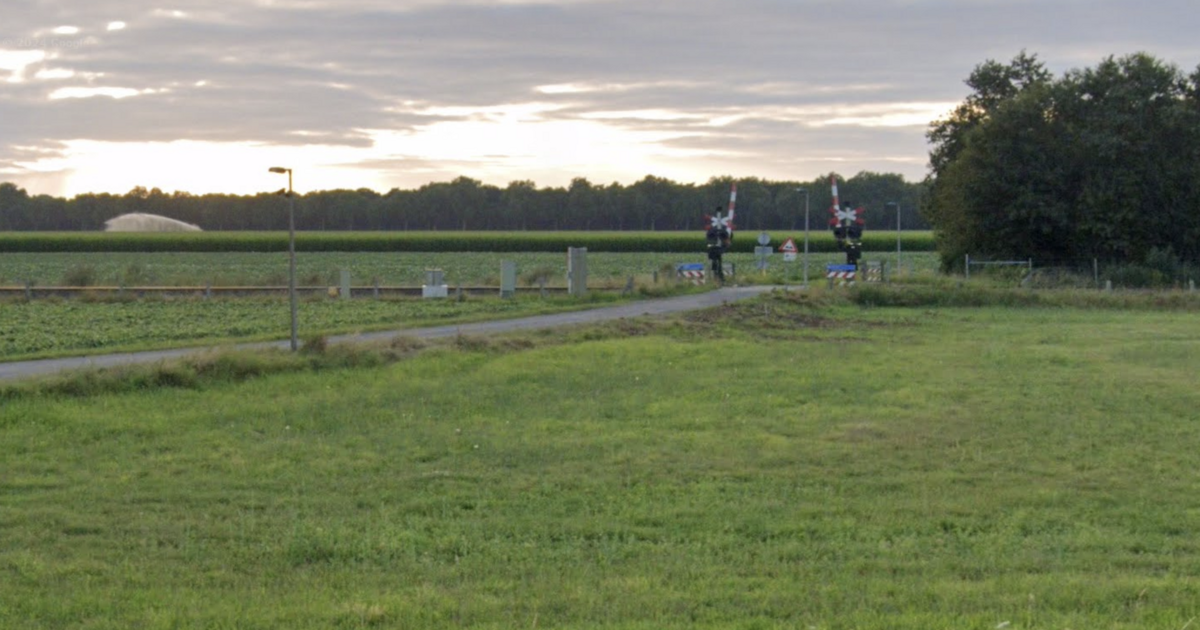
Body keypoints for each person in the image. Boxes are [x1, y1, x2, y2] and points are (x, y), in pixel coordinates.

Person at [706, 206, 732, 283]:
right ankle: (719, 278)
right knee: (718, 263)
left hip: (712, 249)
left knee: (715, 263)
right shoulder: (722, 231)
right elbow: (727, 241)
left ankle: (716, 277)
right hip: (715, 249)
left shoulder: (711, 231)